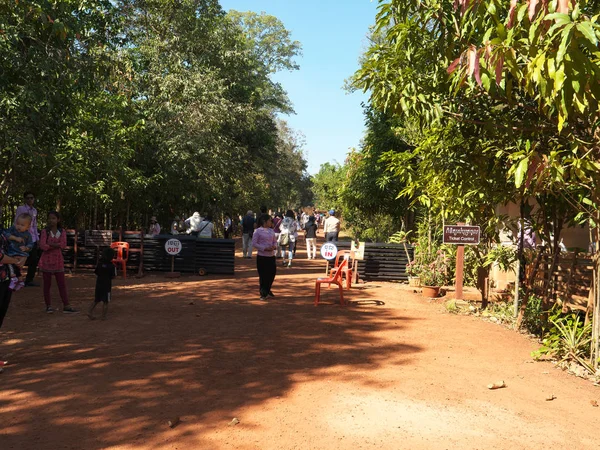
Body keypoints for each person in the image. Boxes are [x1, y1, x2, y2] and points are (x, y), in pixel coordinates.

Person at [38, 211, 78, 314]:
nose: (51, 220)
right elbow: (43, 246)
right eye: (50, 218)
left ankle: (66, 305)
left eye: (53, 218)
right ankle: (48, 306)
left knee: (62, 284)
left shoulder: (62, 231)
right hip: (47, 260)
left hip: (58, 260)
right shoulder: (45, 231)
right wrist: (56, 245)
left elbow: (63, 244)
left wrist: (50, 244)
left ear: (58, 220)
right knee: (47, 284)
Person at [0, 232, 26, 372]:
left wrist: (18, 258)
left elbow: (8, 251)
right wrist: (14, 261)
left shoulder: (4, 233)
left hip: (4, 280)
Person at [15, 191, 40, 286]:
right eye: (28, 198)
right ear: (25, 199)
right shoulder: (21, 209)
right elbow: (16, 221)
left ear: (34, 199)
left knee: (33, 259)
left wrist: (37, 239)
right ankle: (17, 279)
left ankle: (29, 280)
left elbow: (34, 225)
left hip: (32, 238)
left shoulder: (34, 211)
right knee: (20, 258)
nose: (30, 199)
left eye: (32, 198)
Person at [3, 213, 34, 291]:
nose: (19, 226)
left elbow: (31, 244)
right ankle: (18, 280)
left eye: (22, 225)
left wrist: (26, 248)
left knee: (15, 266)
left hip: (20, 253)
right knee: (11, 264)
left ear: (28, 226)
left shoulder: (28, 235)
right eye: (18, 224)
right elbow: (5, 234)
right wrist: (14, 238)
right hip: (11, 252)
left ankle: (15, 278)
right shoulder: (13, 229)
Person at [252, 214, 277, 301]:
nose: (271, 222)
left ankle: (267, 289)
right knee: (263, 275)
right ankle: (263, 293)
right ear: (264, 222)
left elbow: (275, 242)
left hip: (271, 256)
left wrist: (274, 247)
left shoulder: (271, 231)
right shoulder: (257, 231)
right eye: (270, 220)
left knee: (272, 273)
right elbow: (254, 243)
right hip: (262, 256)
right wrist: (264, 248)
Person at [88, 247, 117, 320]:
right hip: (107, 285)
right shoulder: (112, 266)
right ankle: (103, 316)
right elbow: (113, 276)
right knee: (106, 301)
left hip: (99, 284)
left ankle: (89, 312)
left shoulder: (99, 264)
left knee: (96, 300)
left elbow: (96, 273)